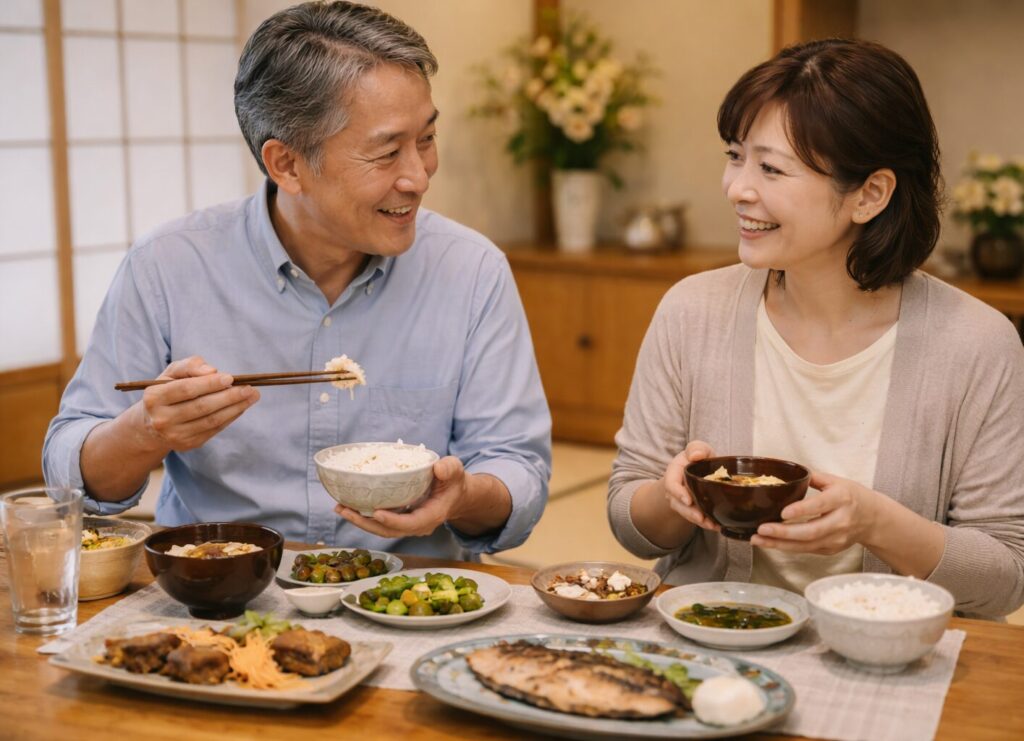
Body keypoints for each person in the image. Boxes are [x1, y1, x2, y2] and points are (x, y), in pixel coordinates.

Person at [43, 0, 551, 559]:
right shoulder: (168, 266)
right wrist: (146, 431)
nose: (418, 176)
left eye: (426, 139)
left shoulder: (471, 270)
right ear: (286, 164)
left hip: (408, 586)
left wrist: (462, 496)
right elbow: (71, 474)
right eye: (387, 152)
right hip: (218, 585)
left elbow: (518, 470)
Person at [608, 38, 1024, 618]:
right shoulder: (692, 311)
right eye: (735, 156)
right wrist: (672, 496)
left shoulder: (977, 344)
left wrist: (874, 523)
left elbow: (1005, 577)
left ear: (870, 194)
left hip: (892, 654)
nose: (737, 188)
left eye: (771, 168)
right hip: (712, 638)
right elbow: (631, 521)